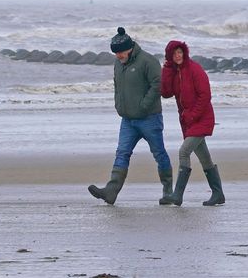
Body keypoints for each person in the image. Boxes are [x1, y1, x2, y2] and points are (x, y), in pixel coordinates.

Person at [88, 27, 172, 205]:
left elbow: (158, 85)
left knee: (159, 153)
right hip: (127, 120)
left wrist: (143, 106)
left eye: (120, 52)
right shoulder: (118, 63)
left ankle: (168, 191)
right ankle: (111, 192)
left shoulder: (148, 61)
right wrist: (118, 105)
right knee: (122, 153)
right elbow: (117, 86)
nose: (118, 56)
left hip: (150, 118)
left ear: (130, 48)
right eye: (116, 53)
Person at [159, 39, 225, 206]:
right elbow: (165, 92)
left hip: (202, 118)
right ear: (170, 56)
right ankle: (218, 194)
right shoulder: (174, 72)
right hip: (188, 122)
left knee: (184, 152)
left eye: (180, 52)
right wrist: (167, 69)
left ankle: (177, 195)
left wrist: (192, 116)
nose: (178, 56)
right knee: (205, 158)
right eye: (174, 54)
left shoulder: (195, 69)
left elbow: (205, 96)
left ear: (184, 53)